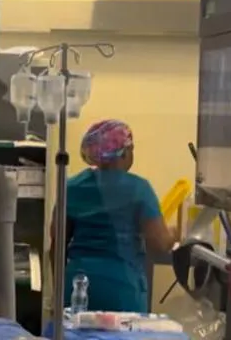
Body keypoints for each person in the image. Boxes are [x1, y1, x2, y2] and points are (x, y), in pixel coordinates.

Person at [61, 120, 176, 313]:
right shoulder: (139, 188)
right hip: (122, 289)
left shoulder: (72, 187)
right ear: (124, 152)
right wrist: (174, 233)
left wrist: (60, 288)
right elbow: (159, 244)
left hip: (78, 286)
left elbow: (57, 243)